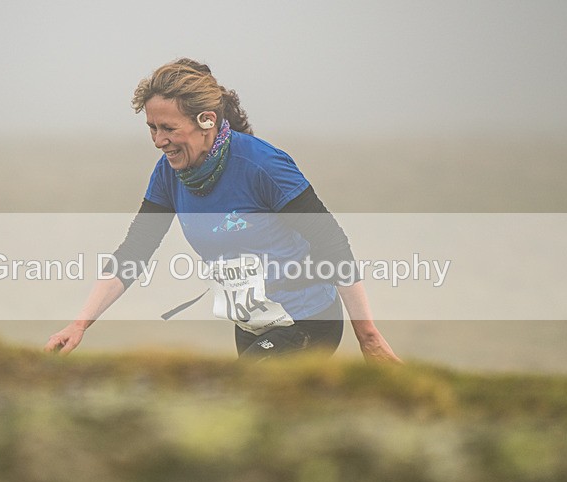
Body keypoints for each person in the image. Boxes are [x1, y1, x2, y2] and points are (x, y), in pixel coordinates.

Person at [45, 58, 401, 364]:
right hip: (250, 325)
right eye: (152, 128)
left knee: (235, 400)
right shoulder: (168, 174)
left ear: (206, 120)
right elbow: (134, 252)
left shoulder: (262, 165)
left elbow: (332, 242)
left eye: (168, 128)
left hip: (307, 321)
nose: (158, 140)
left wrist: (367, 335)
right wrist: (79, 325)